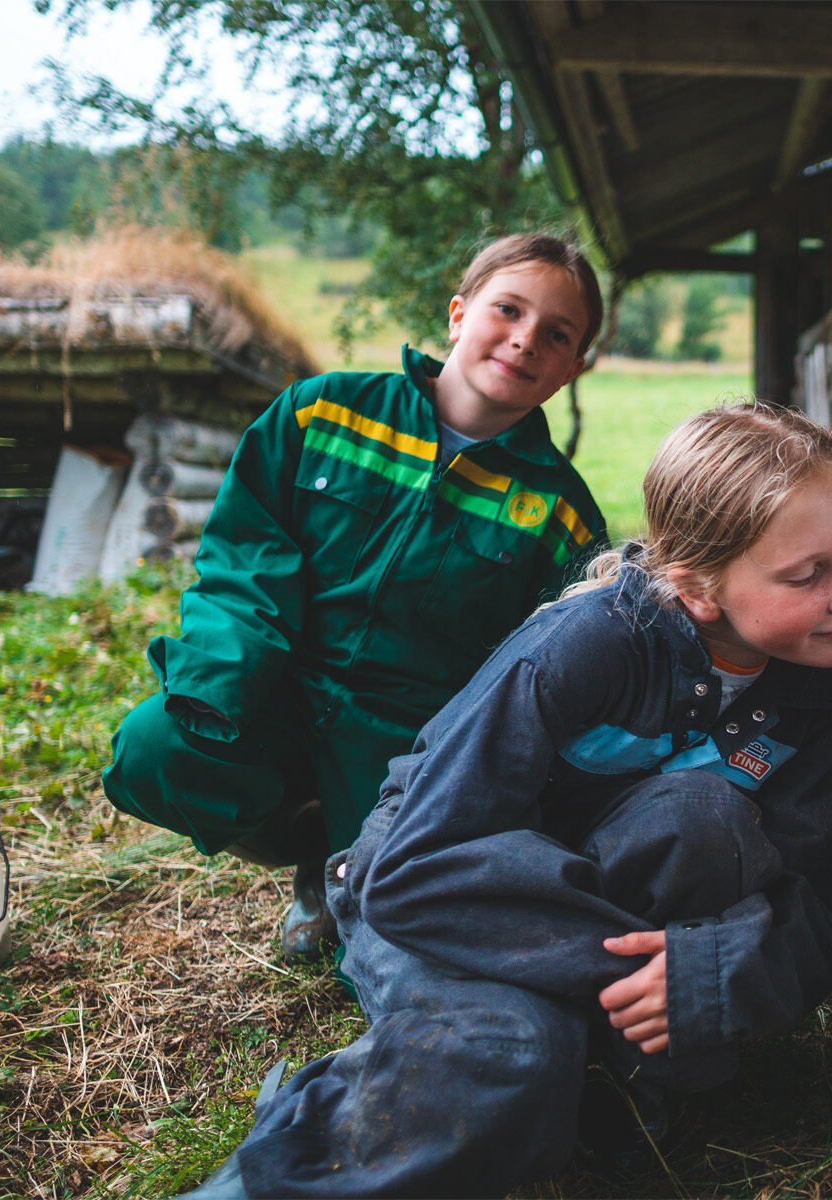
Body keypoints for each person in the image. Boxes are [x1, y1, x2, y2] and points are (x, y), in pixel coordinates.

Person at [183, 402, 832, 1198]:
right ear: (698, 588)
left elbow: (821, 914)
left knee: (703, 816)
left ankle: (589, 1069)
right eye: (809, 574)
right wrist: (676, 972)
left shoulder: (812, 701)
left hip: (575, 896)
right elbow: (412, 868)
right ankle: (285, 1168)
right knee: (515, 1054)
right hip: (432, 902)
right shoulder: (583, 646)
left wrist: (720, 974)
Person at [102, 233, 608, 959]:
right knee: (154, 752)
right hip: (279, 686)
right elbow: (245, 555)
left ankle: (342, 868)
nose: (526, 340)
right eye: (508, 309)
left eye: (556, 334)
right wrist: (222, 684)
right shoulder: (324, 414)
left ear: (571, 369)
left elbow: (546, 664)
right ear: (460, 314)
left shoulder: (560, 512)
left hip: (406, 745)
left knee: (392, 936)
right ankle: (309, 842)